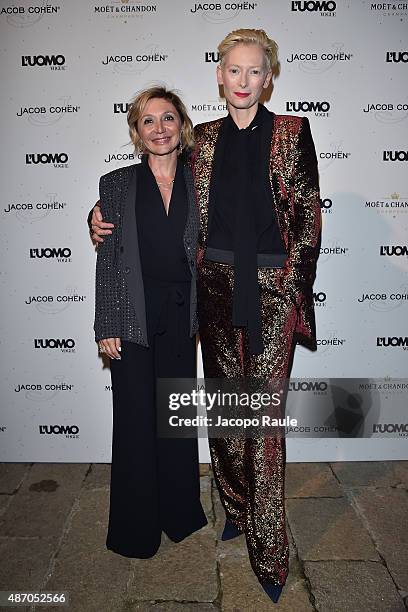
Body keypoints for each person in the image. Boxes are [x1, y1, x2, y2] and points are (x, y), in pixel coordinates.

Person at [90, 29, 321, 603]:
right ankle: (239, 507)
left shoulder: (292, 132)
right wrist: (94, 218)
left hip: (270, 291)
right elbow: (142, 196)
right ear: (220, 77)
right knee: (223, 412)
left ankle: (269, 553)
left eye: (255, 72)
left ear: (269, 77)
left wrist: (289, 294)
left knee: (262, 419)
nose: (244, 81)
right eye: (233, 71)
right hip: (211, 292)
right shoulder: (205, 143)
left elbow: (309, 222)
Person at [93, 86, 207, 559]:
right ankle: (135, 529)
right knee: (137, 420)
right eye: (148, 122)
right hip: (132, 312)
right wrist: (107, 324)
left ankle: (180, 513)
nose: (159, 129)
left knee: (175, 416)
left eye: (167, 119)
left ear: (182, 125)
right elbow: (109, 257)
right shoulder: (115, 185)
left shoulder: (204, 180)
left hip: (183, 313)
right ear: (137, 133)